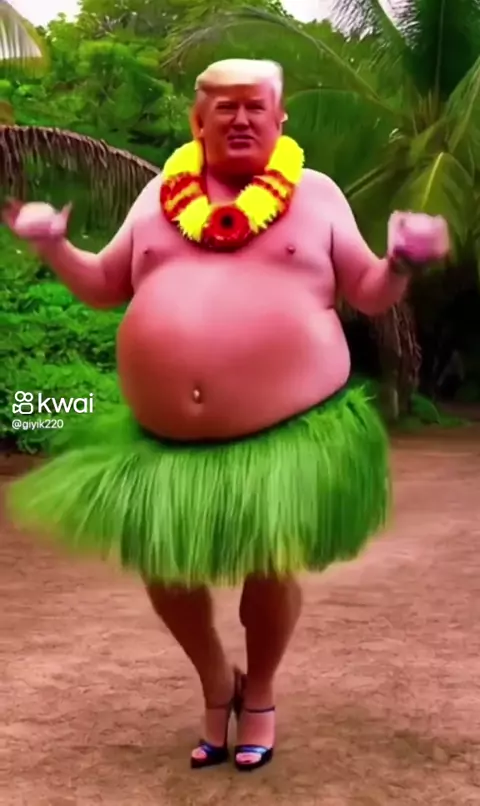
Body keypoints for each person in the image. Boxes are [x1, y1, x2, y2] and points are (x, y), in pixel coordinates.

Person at [3, 58, 450, 773]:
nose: (241, 118)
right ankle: (217, 680)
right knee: (166, 570)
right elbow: (105, 286)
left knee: (268, 568)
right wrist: (55, 246)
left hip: (288, 431)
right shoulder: (158, 198)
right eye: (225, 106)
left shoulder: (316, 195)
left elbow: (368, 293)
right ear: (198, 119)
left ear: (280, 119)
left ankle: (260, 691)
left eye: (255, 106)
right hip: (165, 438)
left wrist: (400, 260)